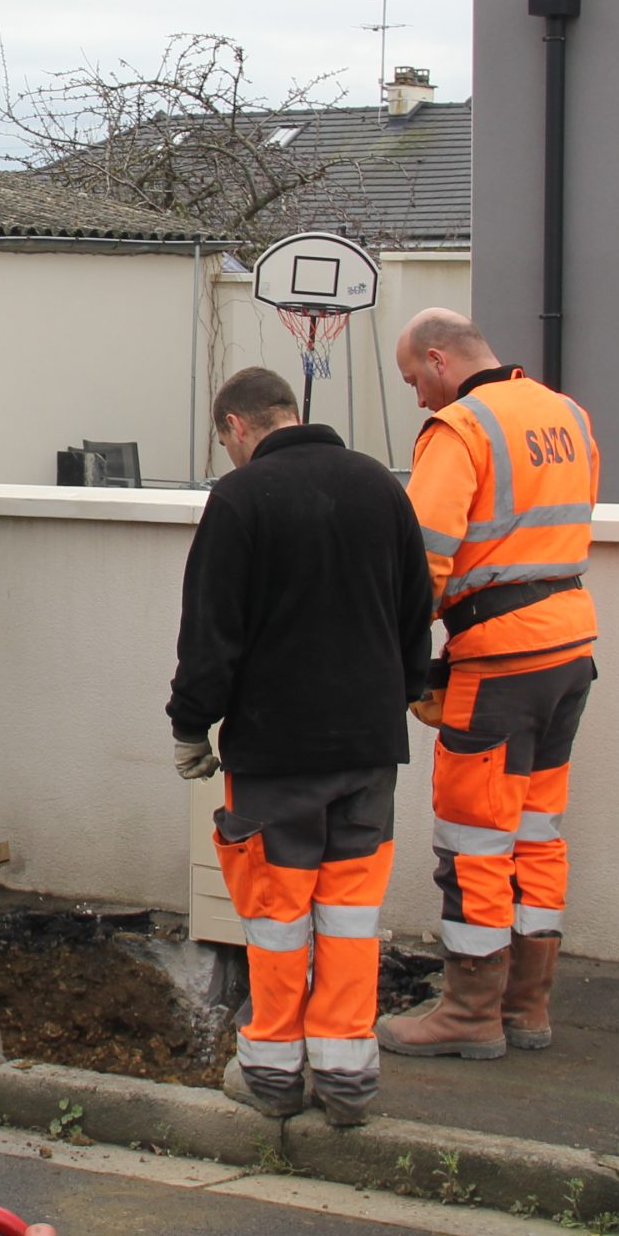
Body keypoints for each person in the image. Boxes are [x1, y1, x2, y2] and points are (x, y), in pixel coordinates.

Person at [169, 367, 433, 1126]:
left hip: (277, 755)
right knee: (350, 917)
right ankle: (348, 1081)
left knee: (279, 920)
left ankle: (274, 1076)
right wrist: (406, 690)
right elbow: (416, 608)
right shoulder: (381, 487)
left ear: (236, 429)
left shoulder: (242, 497)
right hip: (369, 750)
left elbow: (212, 630)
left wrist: (192, 725)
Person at [376, 310, 600, 1063]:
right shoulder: (565, 415)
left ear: (439, 361)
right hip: (569, 649)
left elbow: (422, 563)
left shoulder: (461, 430)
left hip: (499, 661)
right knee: (536, 831)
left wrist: (396, 658)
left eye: (414, 379)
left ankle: (470, 1013)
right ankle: (526, 1007)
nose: (417, 398)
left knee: (473, 837)